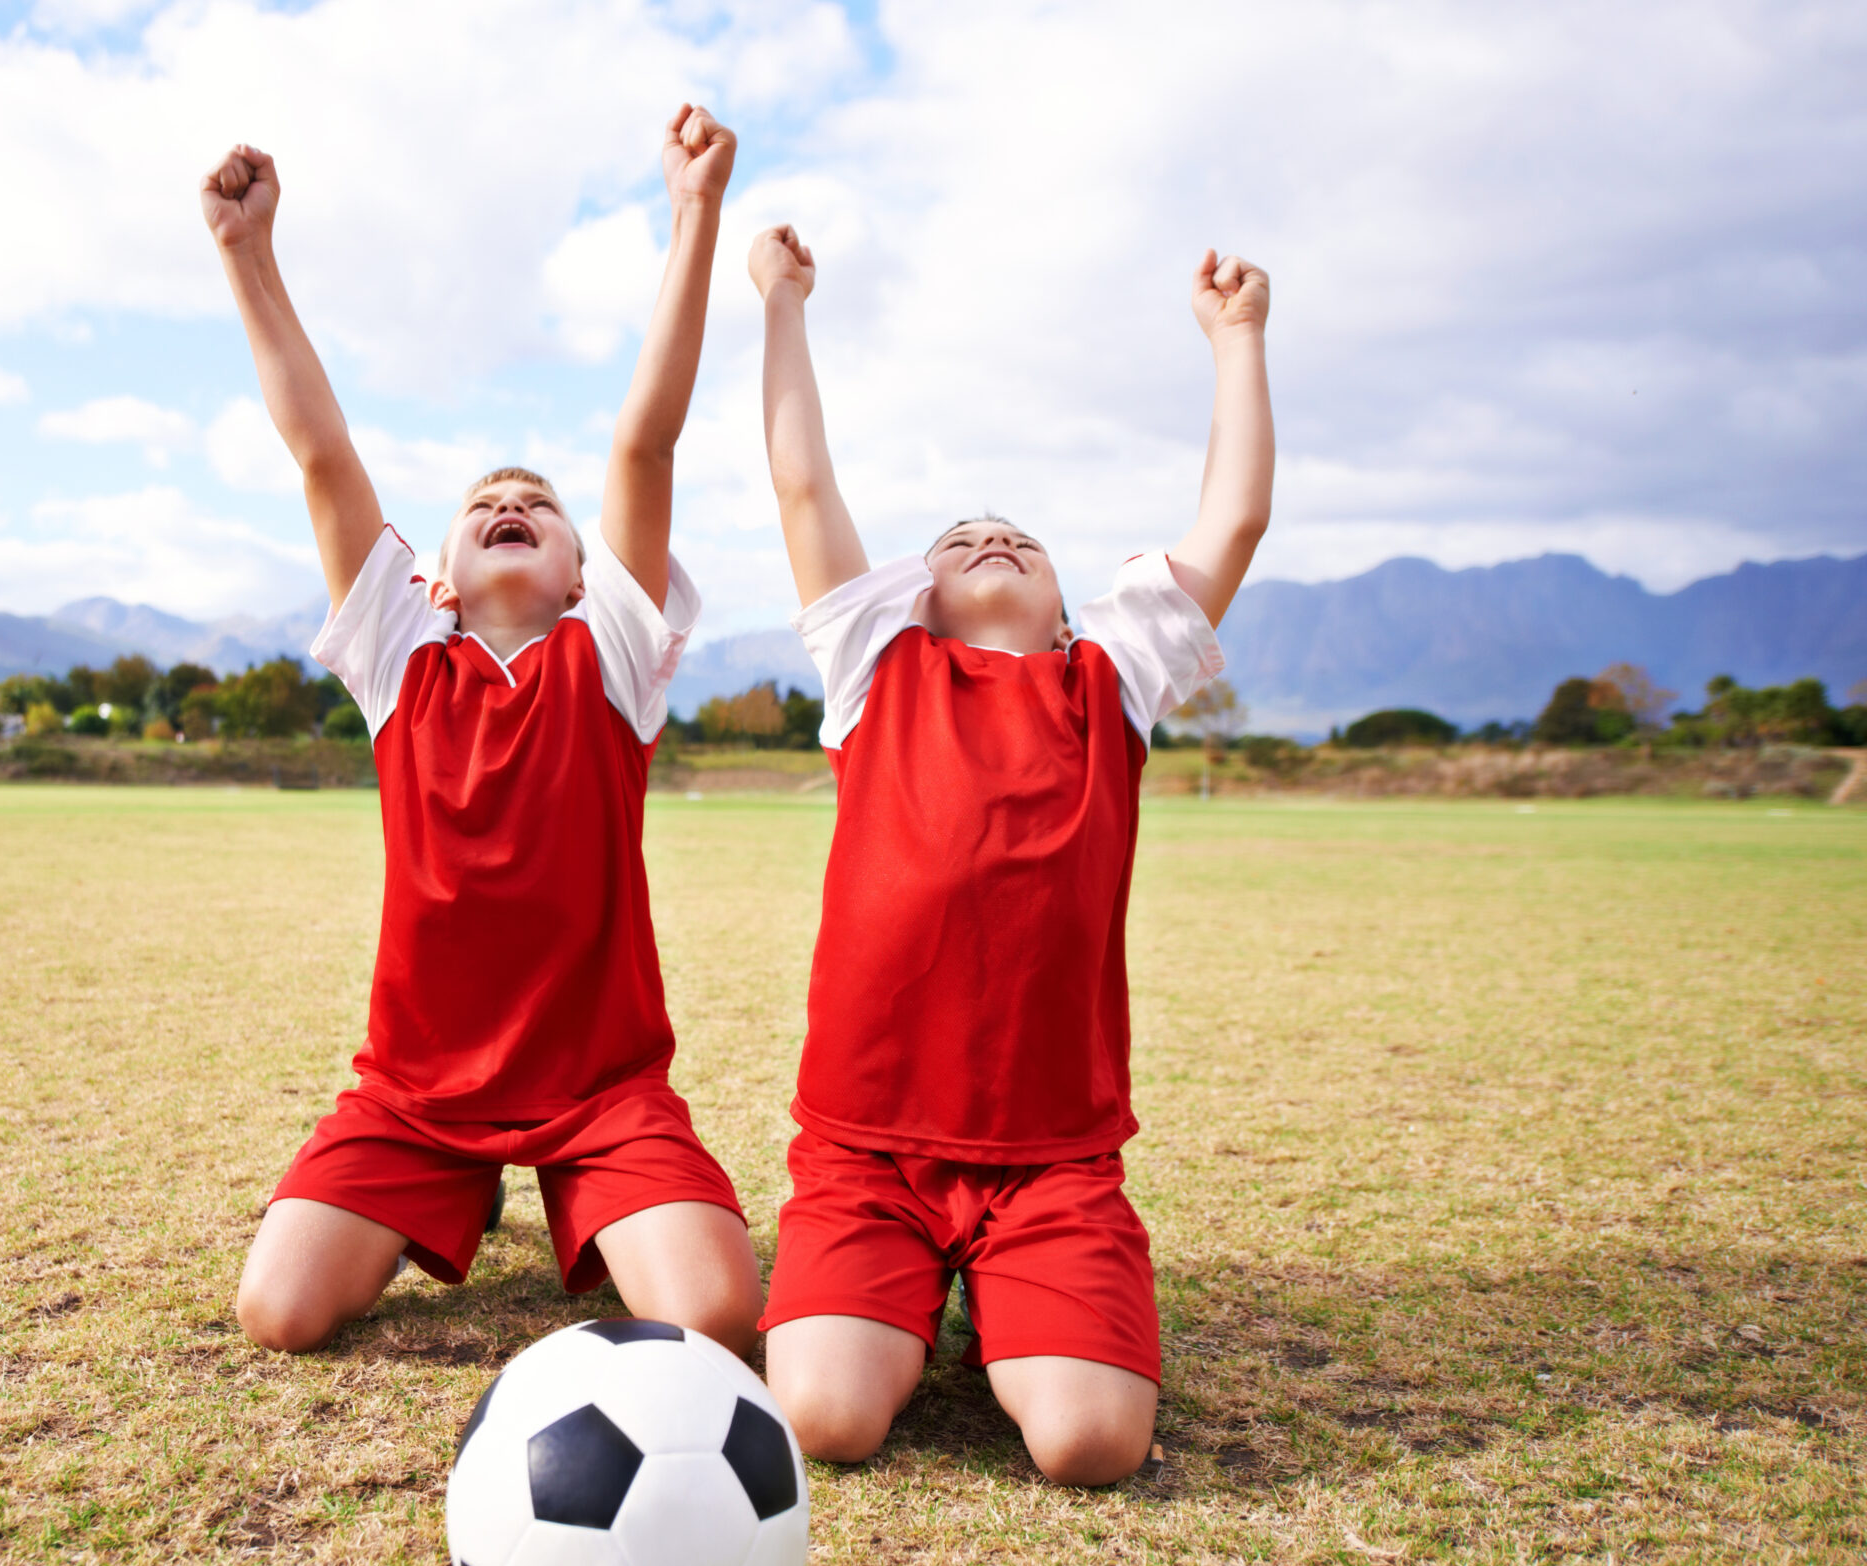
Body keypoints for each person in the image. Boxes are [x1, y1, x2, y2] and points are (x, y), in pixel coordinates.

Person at [204, 107, 763, 1356]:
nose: (512, 505)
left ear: (584, 574)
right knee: (279, 1311)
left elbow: (644, 438)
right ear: (436, 577)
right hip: (417, 1095)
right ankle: (457, 1181)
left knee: (717, 1315)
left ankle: (577, 1187)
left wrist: (693, 217)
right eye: (483, 506)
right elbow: (320, 454)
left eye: (542, 508)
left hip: (601, 1094)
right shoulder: (401, 659)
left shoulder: (611, 657)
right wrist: (248, 256)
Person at [744, 222, 1274, 1483]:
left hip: (1052, 1158)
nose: (991, 536)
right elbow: (802, 488)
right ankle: (915, 1286)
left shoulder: (1115, 676)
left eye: (1019, 535)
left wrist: (1237, 339)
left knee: (1089, 1446)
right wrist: (781, 305)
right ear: (908, 597)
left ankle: (1010, 1287)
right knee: (824, 1420)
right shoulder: (880, 672)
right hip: (867, 1149)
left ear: (1065, 594)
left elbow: (1236, 515)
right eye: (959, 535)